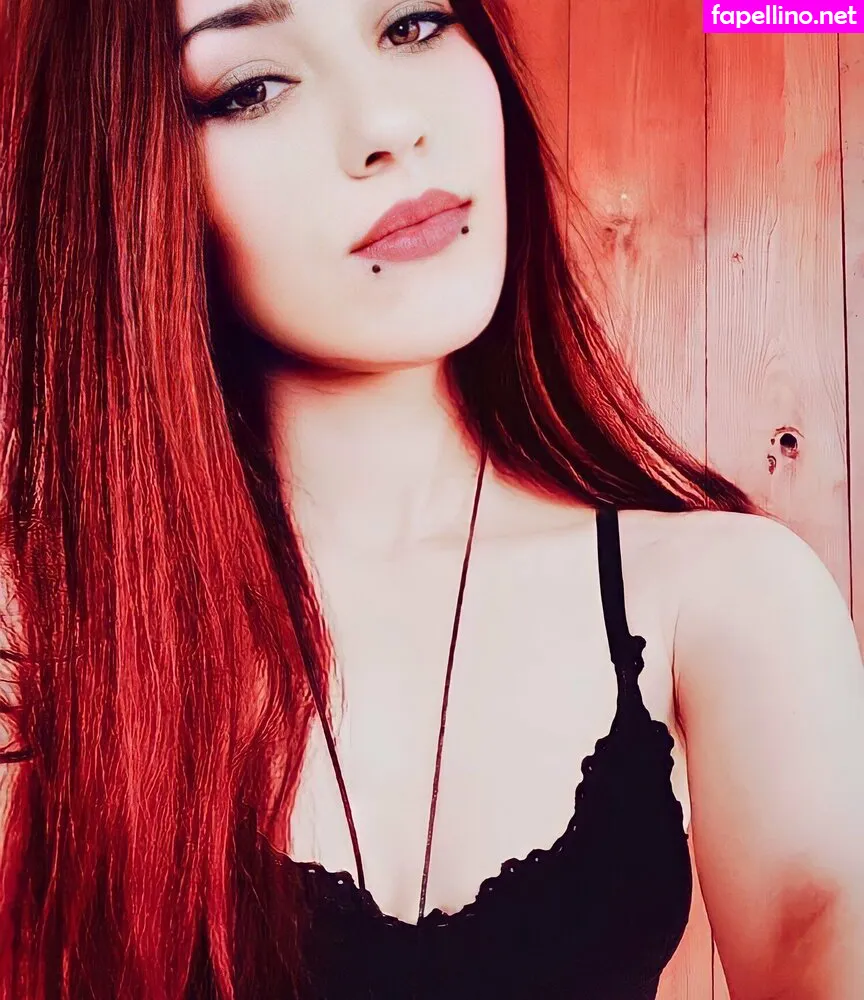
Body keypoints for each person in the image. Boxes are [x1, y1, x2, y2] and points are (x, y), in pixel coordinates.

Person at [1, 0, 863, 997]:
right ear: (126, 178)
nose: (387, 126)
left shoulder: (724, 597)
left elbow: (822, 919)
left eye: (411, 26)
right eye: (254, 87)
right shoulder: (37, 639)